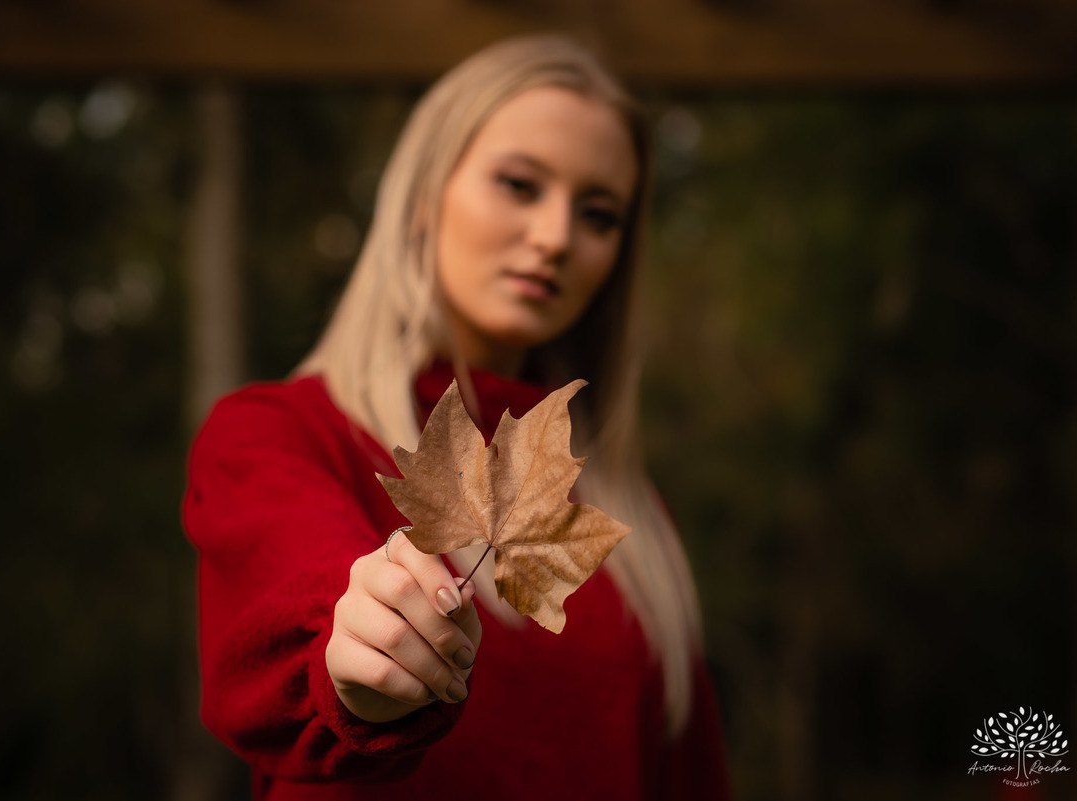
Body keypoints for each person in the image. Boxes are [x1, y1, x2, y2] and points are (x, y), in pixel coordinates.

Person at [183, 34, 731, 800]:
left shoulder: (628, 516)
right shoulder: (282, 433)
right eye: (518, 183)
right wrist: (360, 657)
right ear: (420, 193)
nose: (554, 238)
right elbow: (299, 607)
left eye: (599, 213)